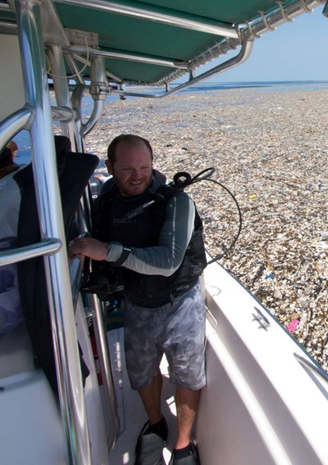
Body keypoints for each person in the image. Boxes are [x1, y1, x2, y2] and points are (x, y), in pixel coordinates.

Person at [69, 134, 207, 465]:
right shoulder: (106, 199)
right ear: (109, 167)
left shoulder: (175, 202)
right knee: (141, 372)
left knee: (187, 374)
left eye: (145, 167)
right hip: (135, 301)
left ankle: (183, 444)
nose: (137, 175)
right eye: (128, 168)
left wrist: (107, 252)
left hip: (180, 302)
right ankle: (156, 424)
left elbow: (168, 261)